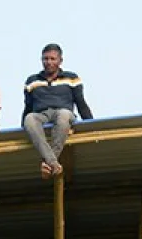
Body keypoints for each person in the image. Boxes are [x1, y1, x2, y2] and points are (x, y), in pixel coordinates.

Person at [21, 43, 93, 178]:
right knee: (29, 119)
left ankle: (48, 163)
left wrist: (91, 125)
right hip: (41, 114)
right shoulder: (32, 81)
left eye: (52, 59)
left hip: (64, 112)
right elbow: (28, 107)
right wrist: (23, 127)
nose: (49, 62)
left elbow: (81, 103)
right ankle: (53, 163)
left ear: (60, 60)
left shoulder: (72, 78)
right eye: (45, 59)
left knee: (63, 115)